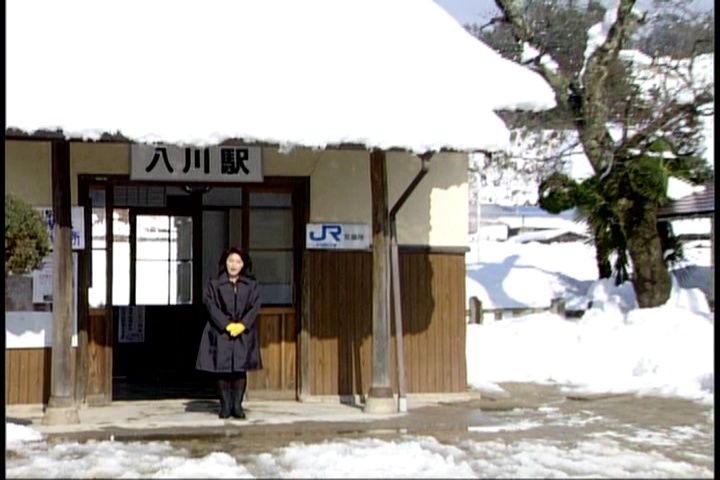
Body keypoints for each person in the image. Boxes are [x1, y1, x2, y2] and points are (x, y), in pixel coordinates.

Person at [196, 247, 262, 419]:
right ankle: (225, 406)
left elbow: (255, 307)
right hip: (221, 331)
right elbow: (210, 306)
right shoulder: (215, 284)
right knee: (222, 369)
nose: (234, 265)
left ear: (243, 264)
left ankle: (237, 406)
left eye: (238, 261)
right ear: (225, 263)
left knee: (240, 369)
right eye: (230, 261)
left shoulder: (251, 285)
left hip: (243, 332)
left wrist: (243, 325)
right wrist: (226, 325)